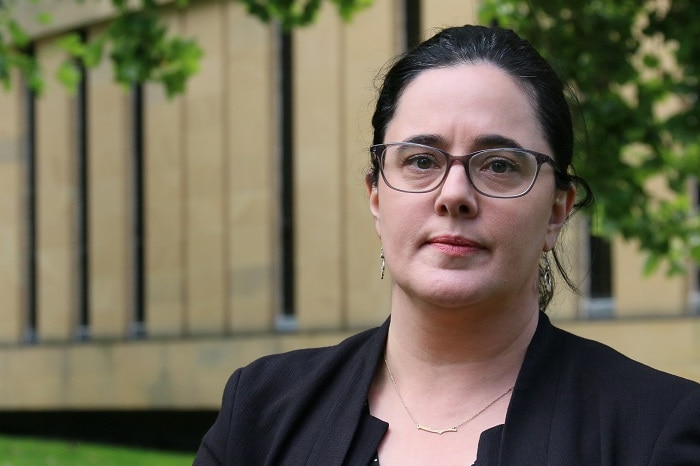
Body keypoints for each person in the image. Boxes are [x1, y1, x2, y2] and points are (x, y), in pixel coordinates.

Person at [193, 25, 700, 465]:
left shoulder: (656, 430)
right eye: (421, 160)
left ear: (556, 211)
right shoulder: (263, 409)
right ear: (376, 196)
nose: (454, 194)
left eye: (500, 164)